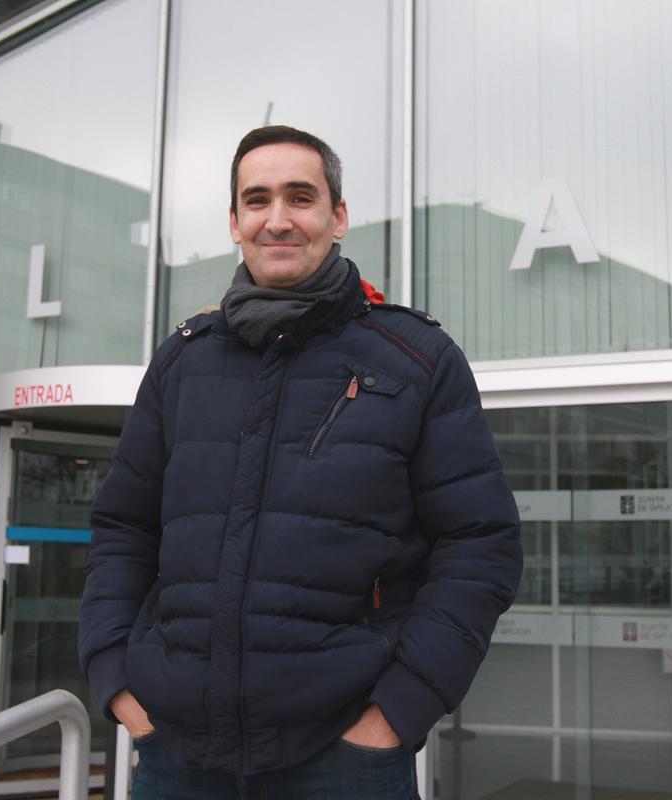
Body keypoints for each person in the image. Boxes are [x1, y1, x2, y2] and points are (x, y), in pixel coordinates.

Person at [77, 125, 523, 798]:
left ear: (337, 217)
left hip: (344, 760)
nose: (277, 219)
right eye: (256, 200)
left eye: (300, 197)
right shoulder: (181, 363)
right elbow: (123, 529)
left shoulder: (416, 362)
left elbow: (480, 545)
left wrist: (395, 714)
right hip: (178, 758)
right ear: (234, 221)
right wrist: (117, 678)